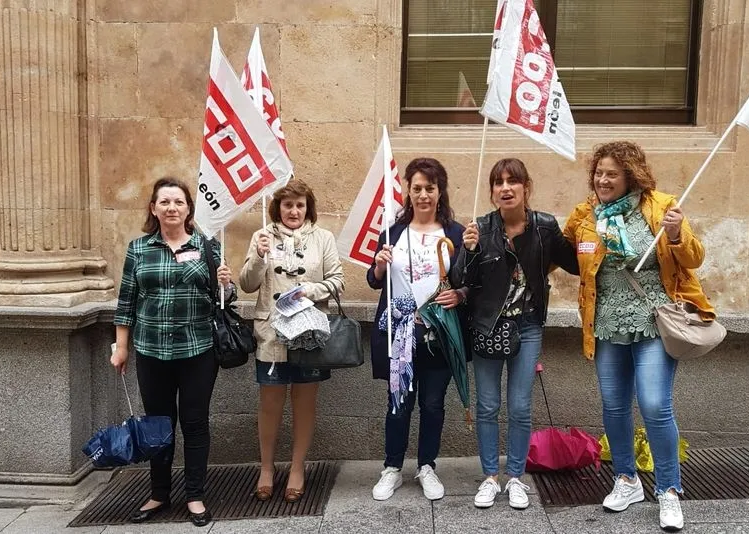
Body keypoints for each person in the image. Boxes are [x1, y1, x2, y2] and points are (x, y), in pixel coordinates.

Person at [563, 141, 717, 532]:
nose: (602, 180)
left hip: (653, 321)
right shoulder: (584, 215)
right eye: (598, 173)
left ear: (631, 176)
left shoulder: (661, 207)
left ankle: (668, 489)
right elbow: (561, 253)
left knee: (654, 404)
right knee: (614, 406)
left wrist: (677, 234)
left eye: (611, 174)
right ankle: (626, 480)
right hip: (606, 322)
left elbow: (694, 258)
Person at [450, 158, 578, 510]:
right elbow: (461, 280)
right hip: (487, 325)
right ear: (492, 191)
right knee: (488, 405)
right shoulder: (481, 227)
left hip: (528, 325)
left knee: (520, 406)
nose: (505, 188)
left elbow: (576, 263)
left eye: (513, 181)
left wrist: (588, 228)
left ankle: (516, 477)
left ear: (526, 187)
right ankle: (491, 476)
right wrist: (469, 250)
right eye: (498, 182)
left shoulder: (544, 226)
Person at [110, 177, 233, 528]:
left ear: (188, 209)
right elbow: (126, 301)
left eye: (178, 202)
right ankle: (159, 493)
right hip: (151, 351)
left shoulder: (207, 246)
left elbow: (227, 299)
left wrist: (226, 284)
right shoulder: (139, 248)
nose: (171, 208)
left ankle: (194, 495)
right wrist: (122, 347)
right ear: (154, 208)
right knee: (159, 425)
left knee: (194, 423)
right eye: (164, 202)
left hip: (198, 350)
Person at [238, 179, 345, 504]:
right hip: (272, 334)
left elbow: (338, 280)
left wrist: (310, 289)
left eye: (300, 205)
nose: (294, 211)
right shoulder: (262, 236)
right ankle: (266, 469)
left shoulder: (323, 238)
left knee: (304, 401)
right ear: (278, 208)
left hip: (308, 332)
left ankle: (298, 468)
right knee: (270, 402)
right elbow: (246, 284)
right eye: (288, 205)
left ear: (307, 208)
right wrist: (259, 256)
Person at [367, 158, 468, 502]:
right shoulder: (392, 233)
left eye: (430, 188)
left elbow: (468, 282)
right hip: (399, 334)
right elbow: (373, 281)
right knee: (398, 403)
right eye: (417, 188)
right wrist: (379, 266)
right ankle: (392, 467)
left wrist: (460, 294)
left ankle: (426, 466)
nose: (424, 195)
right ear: (408, 192)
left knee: (433, 403)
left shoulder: (455, 234)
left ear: (440, 192)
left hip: (438, 336)